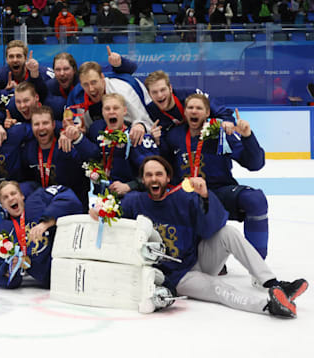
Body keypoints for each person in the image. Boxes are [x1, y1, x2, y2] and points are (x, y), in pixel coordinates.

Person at [119, 156, 307, 318]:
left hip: (197, 260)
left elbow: (212, 228)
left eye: (159, 174)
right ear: (142, 180)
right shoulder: (133, 202)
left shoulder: (183, 198)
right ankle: (269, 306)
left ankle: (272, 283)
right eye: (149, 175)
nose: (154, 179)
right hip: (176, 277)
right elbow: (114, 222)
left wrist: (206, 196)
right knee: (219, 288)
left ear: (168, 177)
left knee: (228, 232)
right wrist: (100, 214)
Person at [162, 94, 269, 259]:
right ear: (185, 113)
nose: (194, 111)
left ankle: (258, 262)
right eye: (190, 108)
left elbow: (255, 164)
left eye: (199, 108)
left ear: (207, 113)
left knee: (255, 200)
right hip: (186, 195)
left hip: (218, 192)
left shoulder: (219, 133)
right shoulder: (173, 136)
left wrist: (247, 136)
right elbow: (163, 168)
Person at [0, 181, 82, 289]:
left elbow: (70, 199)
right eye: (5, 197)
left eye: (13, 193)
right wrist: (9, 269)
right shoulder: (2, 232)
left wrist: (47, 221)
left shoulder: (38, 199)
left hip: (72, 269)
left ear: (22, 195)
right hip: (49, 284)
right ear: (2, 205)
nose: (11, 198)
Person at [67, 93, 159, 195]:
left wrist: (130, 186)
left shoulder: (136, 137)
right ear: (102, 112)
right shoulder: (96, 130)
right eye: (107, 109)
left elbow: (156, 174)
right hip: (101, 196)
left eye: (116, 108)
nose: (111, 112)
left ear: (124, 111)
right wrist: (77, 137)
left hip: (130, 197)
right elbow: (93, 155)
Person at [65, 56, 152, 142]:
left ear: (102, 78)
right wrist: (77, 131)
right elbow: (74, 127)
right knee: (96, 128)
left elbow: (146, 121)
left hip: (135, 118)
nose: (91, 89)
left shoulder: (124, 91)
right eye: (86, 84)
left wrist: (140, 125)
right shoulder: (77, 96)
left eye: (94, 82)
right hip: (102, 130)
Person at [21, 106, 89, 206]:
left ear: (53, 125)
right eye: (36, 124)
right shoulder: (28, 149)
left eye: (45, 123)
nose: (41, 127)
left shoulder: (66, 145)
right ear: (31, 127)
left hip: (70, 202)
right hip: (43, 201)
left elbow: (88, 161)